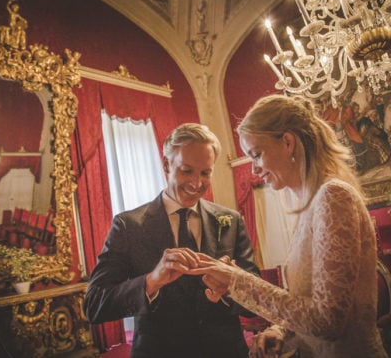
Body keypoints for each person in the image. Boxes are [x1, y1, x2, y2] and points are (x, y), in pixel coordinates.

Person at [187, 95, 388, 357]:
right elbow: (307, 303)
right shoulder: (312, 203)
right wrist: (281, 330)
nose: (254, 169)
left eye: (257, 154)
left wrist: (238, 280)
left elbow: (329, 322)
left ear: (288, 142)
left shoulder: (333, 196)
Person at [83, 123, 259, 358]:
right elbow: (94, 305)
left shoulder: (231, 220)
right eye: (186, 171)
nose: (197, 183)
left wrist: (231, 285)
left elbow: (256, 299)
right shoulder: (128, 225)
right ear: (166, 164)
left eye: (205, 173)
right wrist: (151, 282)